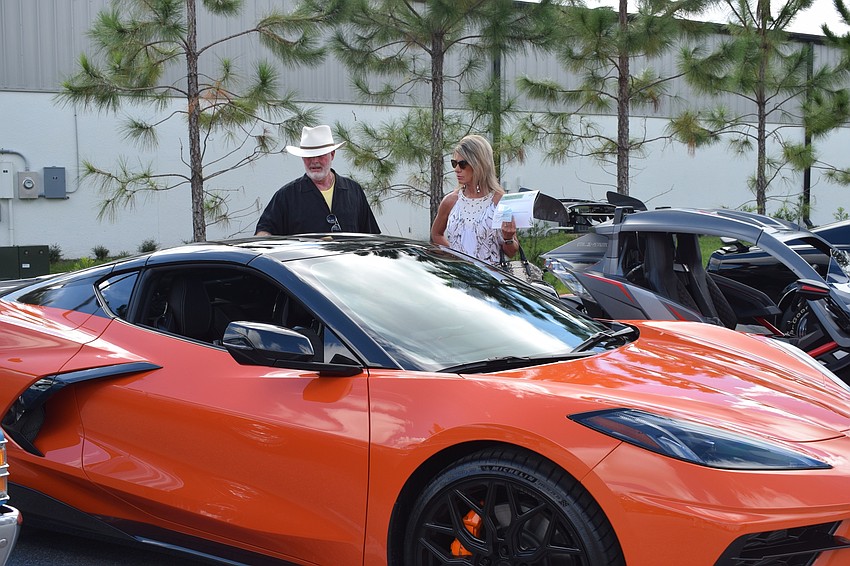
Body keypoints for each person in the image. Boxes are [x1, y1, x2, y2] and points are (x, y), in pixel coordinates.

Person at [255, 125, 381, 236]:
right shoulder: (287, 195)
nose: (314, 161)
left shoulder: (353, 191)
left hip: (347, 262)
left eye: (320, 155)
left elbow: (371, 237)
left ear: (332, 155)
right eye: (309, 156)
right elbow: (264, 233)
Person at [430, 134, 519, 264]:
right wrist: (454, 255)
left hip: (491, 280)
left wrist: (508, 238)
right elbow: (436, 234)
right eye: (454, 163)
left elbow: (511, 252)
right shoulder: (450, 201)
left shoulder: (500, 201)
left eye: (462, 164)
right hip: (459, 278)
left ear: (479, 164)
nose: (456, 169)